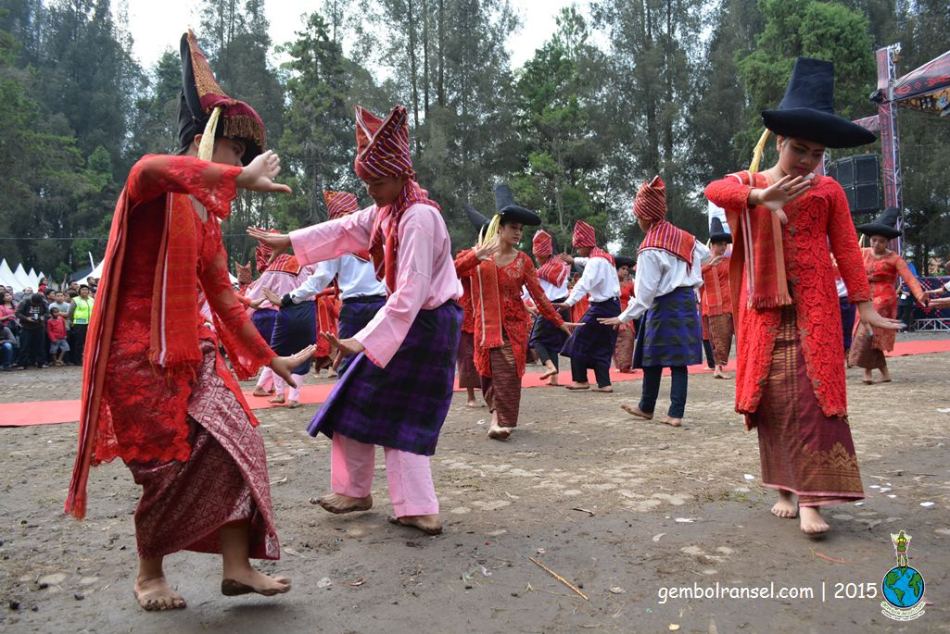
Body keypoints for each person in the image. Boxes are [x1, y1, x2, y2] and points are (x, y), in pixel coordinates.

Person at [65, 30, 313, 612]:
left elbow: (226, 300)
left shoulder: (204, 221)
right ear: (202, 146)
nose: (239, 165)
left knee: (238, 438)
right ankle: (148, 575)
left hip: (194, 352)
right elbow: (149, 169)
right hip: (138, 358)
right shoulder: (154, 191)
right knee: (163, 468)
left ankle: (236, 567)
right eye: (233, 152)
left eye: (242, 160)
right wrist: (232, 181)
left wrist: (271, 358)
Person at [703, 57, 901, 535]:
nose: (808, 161)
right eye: (799, 150)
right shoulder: (749, 184)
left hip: (815, 309)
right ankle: (785, 488)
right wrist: (758, 200)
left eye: (816, 153)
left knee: (815, 398)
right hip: (763, 313)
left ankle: (814, 498)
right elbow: (714, 190)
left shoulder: (829, 191)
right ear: (778, 142)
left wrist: (867, 307)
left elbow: (848, 254)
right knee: (773, 398)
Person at [249, 104, 462, 536]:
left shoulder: (420, 217)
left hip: (426, 323)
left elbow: (412, 291)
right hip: (402, 322)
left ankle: (418, 507)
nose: (372, 192)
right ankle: (355, 490)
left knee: (405, 413)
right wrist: (288, 240)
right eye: (366, 184)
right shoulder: (386, 211)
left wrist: (365, 339)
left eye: (378, 182)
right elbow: (344, 229)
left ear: (403, 174)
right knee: (353, 400)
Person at [455, 185, 574, 440]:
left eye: (521, 229)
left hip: (514, 328)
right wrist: (476, 255)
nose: (518, 233)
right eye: (514, 228)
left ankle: (500, 421)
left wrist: (558, 321)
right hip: (484, 328)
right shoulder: (476, 257)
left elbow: (539, 296)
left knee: (507, 373)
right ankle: (497, 415)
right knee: (487, 375)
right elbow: (451, 271)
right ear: (500, 227)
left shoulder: (524, 261)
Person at [602, 177, 707, 427]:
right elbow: (705, 255)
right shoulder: (685, 237)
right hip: (685, 302)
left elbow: (645, 294)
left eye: (638, 216)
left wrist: (623, 316)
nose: (637, 221)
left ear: (646, 217)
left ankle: (651, 407)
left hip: (664, 305)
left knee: (652, 356)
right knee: (675, 360)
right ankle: (670, 412)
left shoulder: (650, 247)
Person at [276, 190, 388, 379]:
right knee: (381, 360)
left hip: (354, 309)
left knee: (349, 364)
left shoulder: (338, 241)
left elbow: (321, 278)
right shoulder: (377, 236)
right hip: (382, 306)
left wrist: (291, 298)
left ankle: (349, 405)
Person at [849, 208, 928, 383]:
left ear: (888, 242)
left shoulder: (895, 259)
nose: (877, 244)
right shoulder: (862, 253)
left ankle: (867, 373)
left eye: (881, 241)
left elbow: (909, 278)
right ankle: (884, 373)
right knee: (872, 338)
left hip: (883, 300)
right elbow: (845, 267)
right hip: (864, 299)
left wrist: (920, 295)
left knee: (868, 332)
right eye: (874, 240)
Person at [558, 221, 621, 392]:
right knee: (603, 344)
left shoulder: (595, 262)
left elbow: (584, 284)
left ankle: (580, 379)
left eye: (578, 248)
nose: (577, 251)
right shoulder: (604, 257)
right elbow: (585, 260)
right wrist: (574, 260)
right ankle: (604, 383)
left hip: (601, 308)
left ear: (585, 245)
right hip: (613, 307)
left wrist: (568, 302)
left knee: (577, 338)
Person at [527, 229, 572, 385]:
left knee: (536, 340)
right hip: (564, 306)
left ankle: (549, 366)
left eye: (536, 255)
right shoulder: (561, 265)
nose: (536, 258)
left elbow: (530, 291)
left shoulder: (540, 272)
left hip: (550, 307)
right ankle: (554, 379)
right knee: (552, 342)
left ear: (540, 254)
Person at [699, 217, 734, 379]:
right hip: (712, 304)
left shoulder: (729, 261)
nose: (723, 247)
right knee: (717, 337)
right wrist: (709, 266)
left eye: (725, 244)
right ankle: (717, 368)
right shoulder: (703, 263)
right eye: (720, 244)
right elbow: (694, 279)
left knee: (729, 336)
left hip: (730, 303)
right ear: (712, 245)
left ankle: (724, 367)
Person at [612, 256, 637, 374]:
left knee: (628, 337)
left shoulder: (629, 284)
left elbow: (638, 296)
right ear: (615, 269)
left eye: (627, 269)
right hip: (611, 312)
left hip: (626, 313)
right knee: (614, 339)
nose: (626, 271)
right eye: (623, 268)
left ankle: (626, 366)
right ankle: (619, 365)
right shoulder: (608, 282)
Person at [15, 293, 47, 368]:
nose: (35, 305)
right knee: (25, 346)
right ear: (31, 300)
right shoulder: (24, 302)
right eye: (34, 303)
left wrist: (43, 317)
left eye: (37, 304)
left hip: (39, 326)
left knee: (40, 345)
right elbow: (17, 313)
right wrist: (26, 318)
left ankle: (40, 363)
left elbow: (47, 313)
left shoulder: (43, 302)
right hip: (26, 327)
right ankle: (22, 364)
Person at [67, 285, 94, 366]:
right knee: (79, 342)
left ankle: (87, 359)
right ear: (79, 291)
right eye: (83, 290)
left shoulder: (92, 300)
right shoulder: (75, 300)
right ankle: (77, 360)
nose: (85, 291)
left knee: (88, 342)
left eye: (86, 290)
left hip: (90, 323)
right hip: (79, 323)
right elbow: (70, 312)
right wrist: (72, 321)